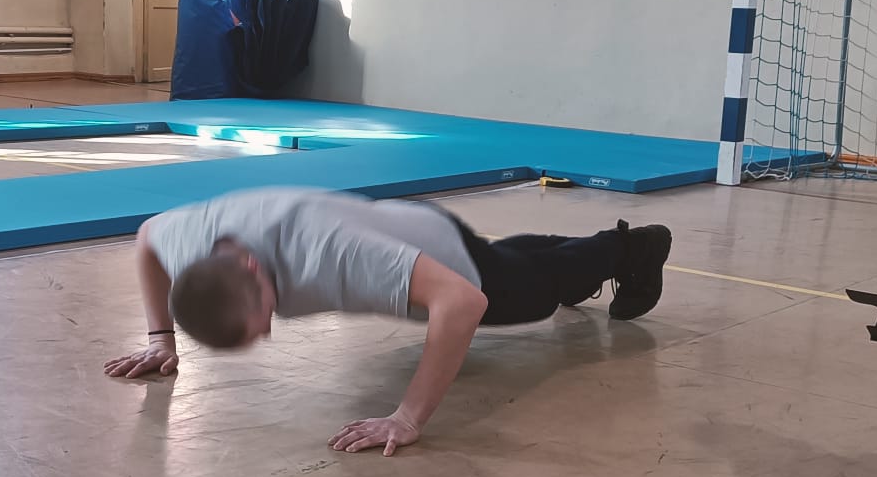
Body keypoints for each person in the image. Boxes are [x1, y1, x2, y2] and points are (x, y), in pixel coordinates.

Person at [104, 186, 674, 455]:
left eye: (266, 315)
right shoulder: (187, 243)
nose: (272, 329)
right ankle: (566, 256)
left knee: (523, 294)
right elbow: (147, 236)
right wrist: (160, 337)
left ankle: (634, 248)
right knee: (513, 267)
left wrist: (407, 417)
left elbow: (462, 303)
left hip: (439, 251)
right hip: (396, 230)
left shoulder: (326, 254)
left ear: (252, 267)